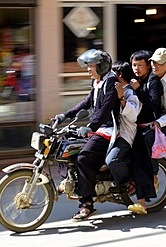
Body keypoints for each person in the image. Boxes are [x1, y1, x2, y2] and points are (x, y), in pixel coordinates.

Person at [55, 49, 120, 222]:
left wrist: (90, 127)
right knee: (64, 147)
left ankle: (87, 204)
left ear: (102, 66)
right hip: (97, 128)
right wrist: (65, 115)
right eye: (88, 66)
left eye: (91, 66)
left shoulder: (111, 83)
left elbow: (105, 110)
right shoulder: (97, 82)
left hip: (108, 130)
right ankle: (73, 183)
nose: (88, 69)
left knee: (83, 158)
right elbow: (87, 102)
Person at [128, 50, 164, 214]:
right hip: (135, 127)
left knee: (139, 162)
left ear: (148, 65)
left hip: (148, 128)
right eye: (134, 65)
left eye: (140, 65)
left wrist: (139, 90)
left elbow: (153, 105)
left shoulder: (153, 81)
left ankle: (141, 202)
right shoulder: (136, 81)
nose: (136, 68)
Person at [105, 61, 141, 189]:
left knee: (112, 161)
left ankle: (128, 182)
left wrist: (121, 99)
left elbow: (133, 114)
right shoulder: (110, 91)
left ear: (119, 75)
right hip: (109, 133)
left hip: (124, 135)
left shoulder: (130, 93)